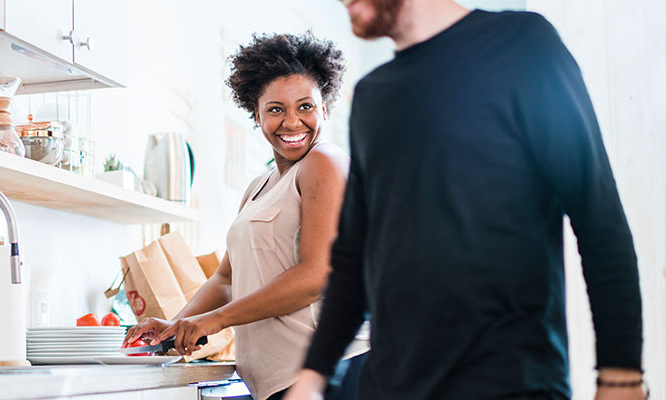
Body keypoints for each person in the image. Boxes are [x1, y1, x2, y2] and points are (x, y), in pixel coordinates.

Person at [285, 0, 645, 399]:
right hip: (391, 387)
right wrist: (312, 377)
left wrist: (621, 375)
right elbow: (354, 261)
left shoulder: (523, 47)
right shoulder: (372, 98)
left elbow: (598, 218)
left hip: (508, 384)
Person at [123, 32, 361, 400]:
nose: (293, 122)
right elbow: (226, 278)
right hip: (278, 382)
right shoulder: (259, 187)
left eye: (306, 107)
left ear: (324, 109)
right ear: (257, 114)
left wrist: (214, 320)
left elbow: (316, 275)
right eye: (276, 109)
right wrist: (176, 325)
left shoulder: (324, 163)